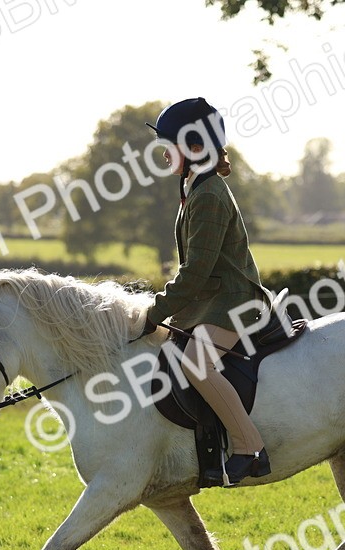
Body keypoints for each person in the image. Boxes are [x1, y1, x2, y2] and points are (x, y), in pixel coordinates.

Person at [140, 98, 273, 487]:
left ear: (196, 147)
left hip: (236, 304)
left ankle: (250, 447)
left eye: (170, 146)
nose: (163, 154)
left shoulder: (210, 195)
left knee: (196, 364)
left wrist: (155, 312)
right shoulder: (194, 188)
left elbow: (195, 272)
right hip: (212, 303)